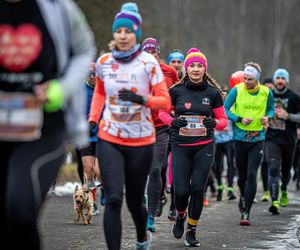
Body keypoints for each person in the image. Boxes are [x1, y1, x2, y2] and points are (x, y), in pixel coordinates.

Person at [0, 0, 96, 249]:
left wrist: (61, 89)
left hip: (42, 131)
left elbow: (84, 51)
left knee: (20, 211)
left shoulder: (59, 8)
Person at [88, 3, 171, 250]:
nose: (122, 36)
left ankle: (142, 238)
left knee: (135, 201)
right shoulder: (103, 62)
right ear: (114, 34)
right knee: (113, 199)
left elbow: (164, 100)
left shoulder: (149, 63)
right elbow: (99, 94)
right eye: (118, 31)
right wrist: (93, 118)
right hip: (110, 137)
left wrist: (142, 99)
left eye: (128, 31)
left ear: (136, 33)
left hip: (141, 141)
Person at [159, 48, 228, 246]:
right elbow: (162, 114)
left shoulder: (213, 93)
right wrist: (173, 122)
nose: (196, 69)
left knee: (197, 189)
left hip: (204, 146)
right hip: (180, 146)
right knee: (180, 192)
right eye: (192, 65)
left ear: (205, 69)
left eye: (200, 66)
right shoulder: (176, 91)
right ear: (186, 69)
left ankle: (192, 229)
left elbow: (223, 120)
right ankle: (181, 215)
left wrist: (213, 124)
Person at [224, 62, 274, 226]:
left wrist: (268, 117)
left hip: (257, 138)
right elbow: (225, 109)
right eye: (244, 78)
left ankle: (246, 211)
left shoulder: (267, 92)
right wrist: (239, 119)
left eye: (250, 79)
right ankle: (243, 195)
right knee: (242, 176)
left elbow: (271, 109)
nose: (246, 81)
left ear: (256, 79)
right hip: (239, 138)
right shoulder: (237, 90)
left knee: (252, 174)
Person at [141, 37, 179, 232]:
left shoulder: (170, 72)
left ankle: (150, 216)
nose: (151, 56)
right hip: (140, 128)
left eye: (154, 53)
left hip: (163, 127)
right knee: (145, 171)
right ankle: (159, 195)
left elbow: (179, 94)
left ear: (158, 53)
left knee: (156, 169)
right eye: (147, 53)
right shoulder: (136, 71)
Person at [265, 68, 300, 214]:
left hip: (289, 140)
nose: (280, 80)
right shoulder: (268, 95)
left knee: (286, 172)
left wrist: (288, 116)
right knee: (273, 168)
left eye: (282, 78)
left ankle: (284, 188)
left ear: (286, 81)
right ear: (274, 80)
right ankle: (274, 201)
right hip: (272, 138)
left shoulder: (294, 97)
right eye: (277, 77)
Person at [214, 85, 237, 201]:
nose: (223, 96)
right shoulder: (213, 106)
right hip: (217, 140)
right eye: (221, 94)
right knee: (217, 165)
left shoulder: (231, 107)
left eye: (225, 94)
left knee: (230, 162)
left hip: (229, 139)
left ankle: (230, 188)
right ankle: (219, 187)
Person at [260, 77, 275, 202]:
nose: (269, 90)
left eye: (271, 88)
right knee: (264, 162)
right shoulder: (259, 98)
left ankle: (275, 186)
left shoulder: (277, 100)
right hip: (263, 135)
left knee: (274, 164)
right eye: (267, 87)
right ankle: (266, 190)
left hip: (276, 136)